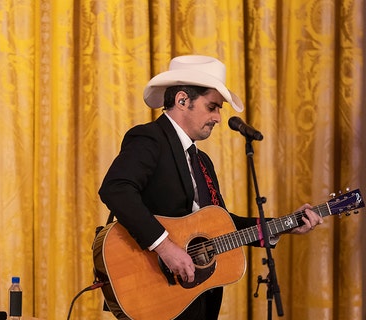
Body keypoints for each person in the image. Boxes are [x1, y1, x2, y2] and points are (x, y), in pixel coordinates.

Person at [97, 55, 323, 319]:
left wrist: (284, 225)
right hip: (154, 289)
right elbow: (115, 188)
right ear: (182, 100)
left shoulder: (201, 160)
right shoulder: (150, 138)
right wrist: (165, 247)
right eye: (212, 107)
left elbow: (223, 225)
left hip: (196, 295)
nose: (218, 118)